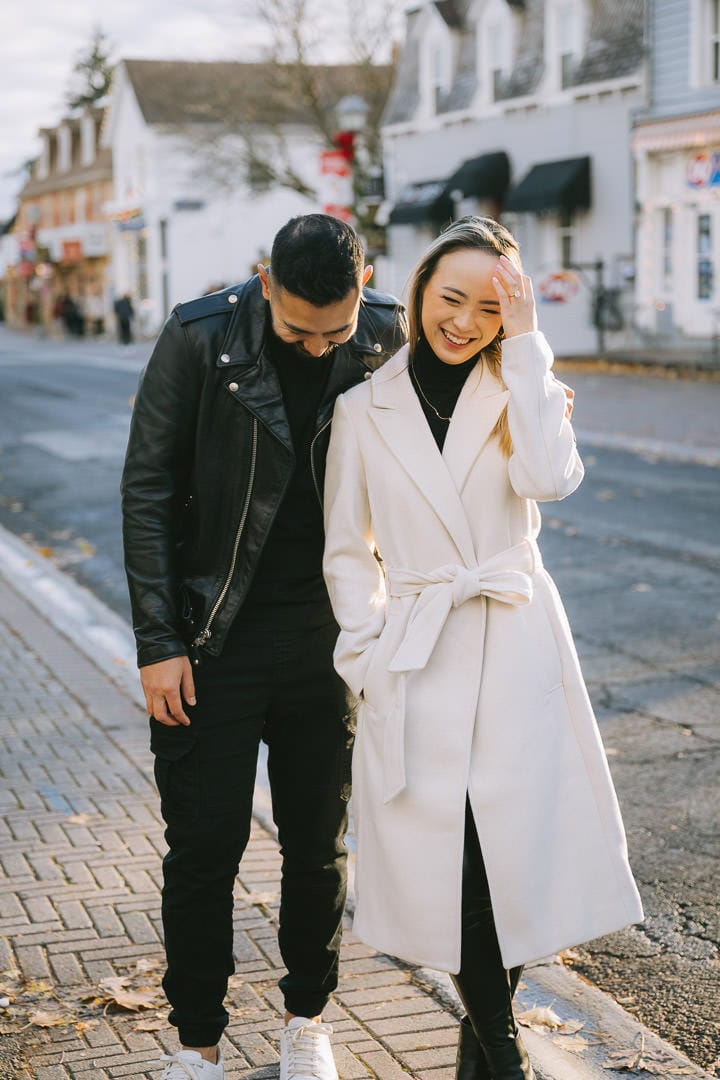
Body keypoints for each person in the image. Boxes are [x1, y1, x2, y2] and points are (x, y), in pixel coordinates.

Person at [322, 216, 644, 1080]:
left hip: (515, 645)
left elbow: (549, 482)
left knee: (513, 859)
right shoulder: (363, 408)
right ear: (420, 290)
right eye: (450, 298)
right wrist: (366, 657)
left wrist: (533, 348)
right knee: (453, 865)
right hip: (418, 652)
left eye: (490, 308)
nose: (464, 322)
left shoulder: (521, 386)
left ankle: (486, 1058)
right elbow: (347, 552)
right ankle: (504, 1055)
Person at [120, 214, 406, 1080]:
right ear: (263, 280)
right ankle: (198, 1043)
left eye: (337, 332)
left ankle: (306, 1022)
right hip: (213, 640)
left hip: (331, 639)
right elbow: (149, 490)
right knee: (204, 849)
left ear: (364, 290)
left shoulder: (387, 333)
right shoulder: (198, 336)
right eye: (295, 331)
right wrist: (159, 641)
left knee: (319, 844)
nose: (319, 350)